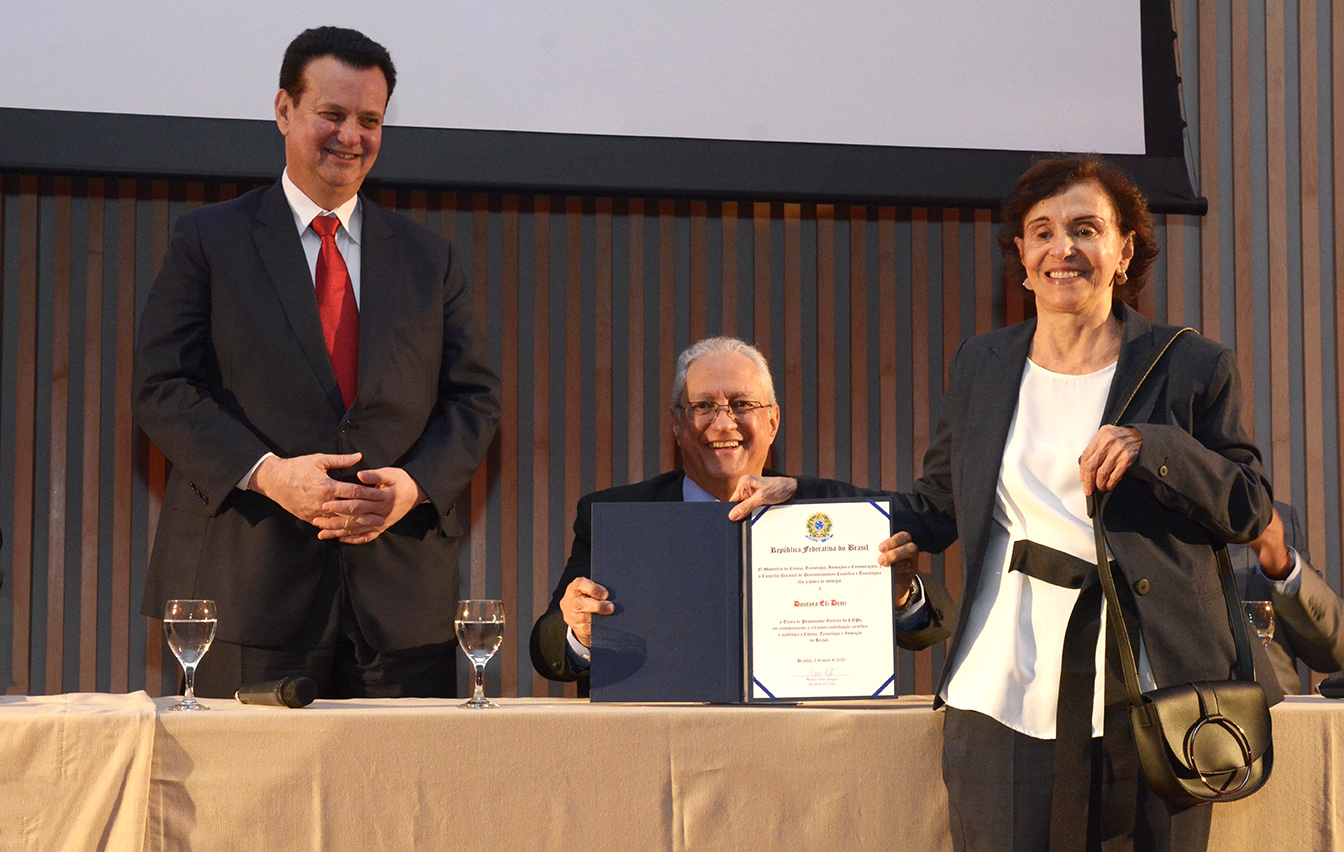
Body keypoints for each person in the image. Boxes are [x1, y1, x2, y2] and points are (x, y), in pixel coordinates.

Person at [734, 155, 1278, 852]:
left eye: (1086, 229)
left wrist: (1157, 447)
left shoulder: (1191, 364)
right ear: (1021, 258)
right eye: (1042, 231)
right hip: (1004, 686)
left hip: (1154, 689)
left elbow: (1249, 509)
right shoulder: (982, 365)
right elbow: (934, 508)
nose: (1064, 248)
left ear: (1124, 250)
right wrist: (802, 496)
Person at [133, 26, 501, 699]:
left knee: (405, 804)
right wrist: (271, 476)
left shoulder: (429, 259)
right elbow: (162, 388)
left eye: (370, 120)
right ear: (284, 111)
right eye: (332, 115)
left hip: (400, 608)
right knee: (242, 803)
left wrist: (411, 488)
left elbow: (474, 400)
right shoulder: (209, 240)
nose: (350, 136)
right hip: (245, 595)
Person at [529, 337, 955, 693]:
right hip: (654, 736)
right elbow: (547, 651)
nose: (723, 423)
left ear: (773, 421)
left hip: (801, 739)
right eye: (702, 406)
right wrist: (579, 632)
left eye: (742, 404)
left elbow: (933, 627)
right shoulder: (616, 515)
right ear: (677, 425)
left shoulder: (830, 509)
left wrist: (901, 596)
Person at [1232, 501, 1344, 693]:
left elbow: (1332, 654)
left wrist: (1282, 570)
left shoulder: (1267, 514)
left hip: (1270, 713)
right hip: (1169, 710)